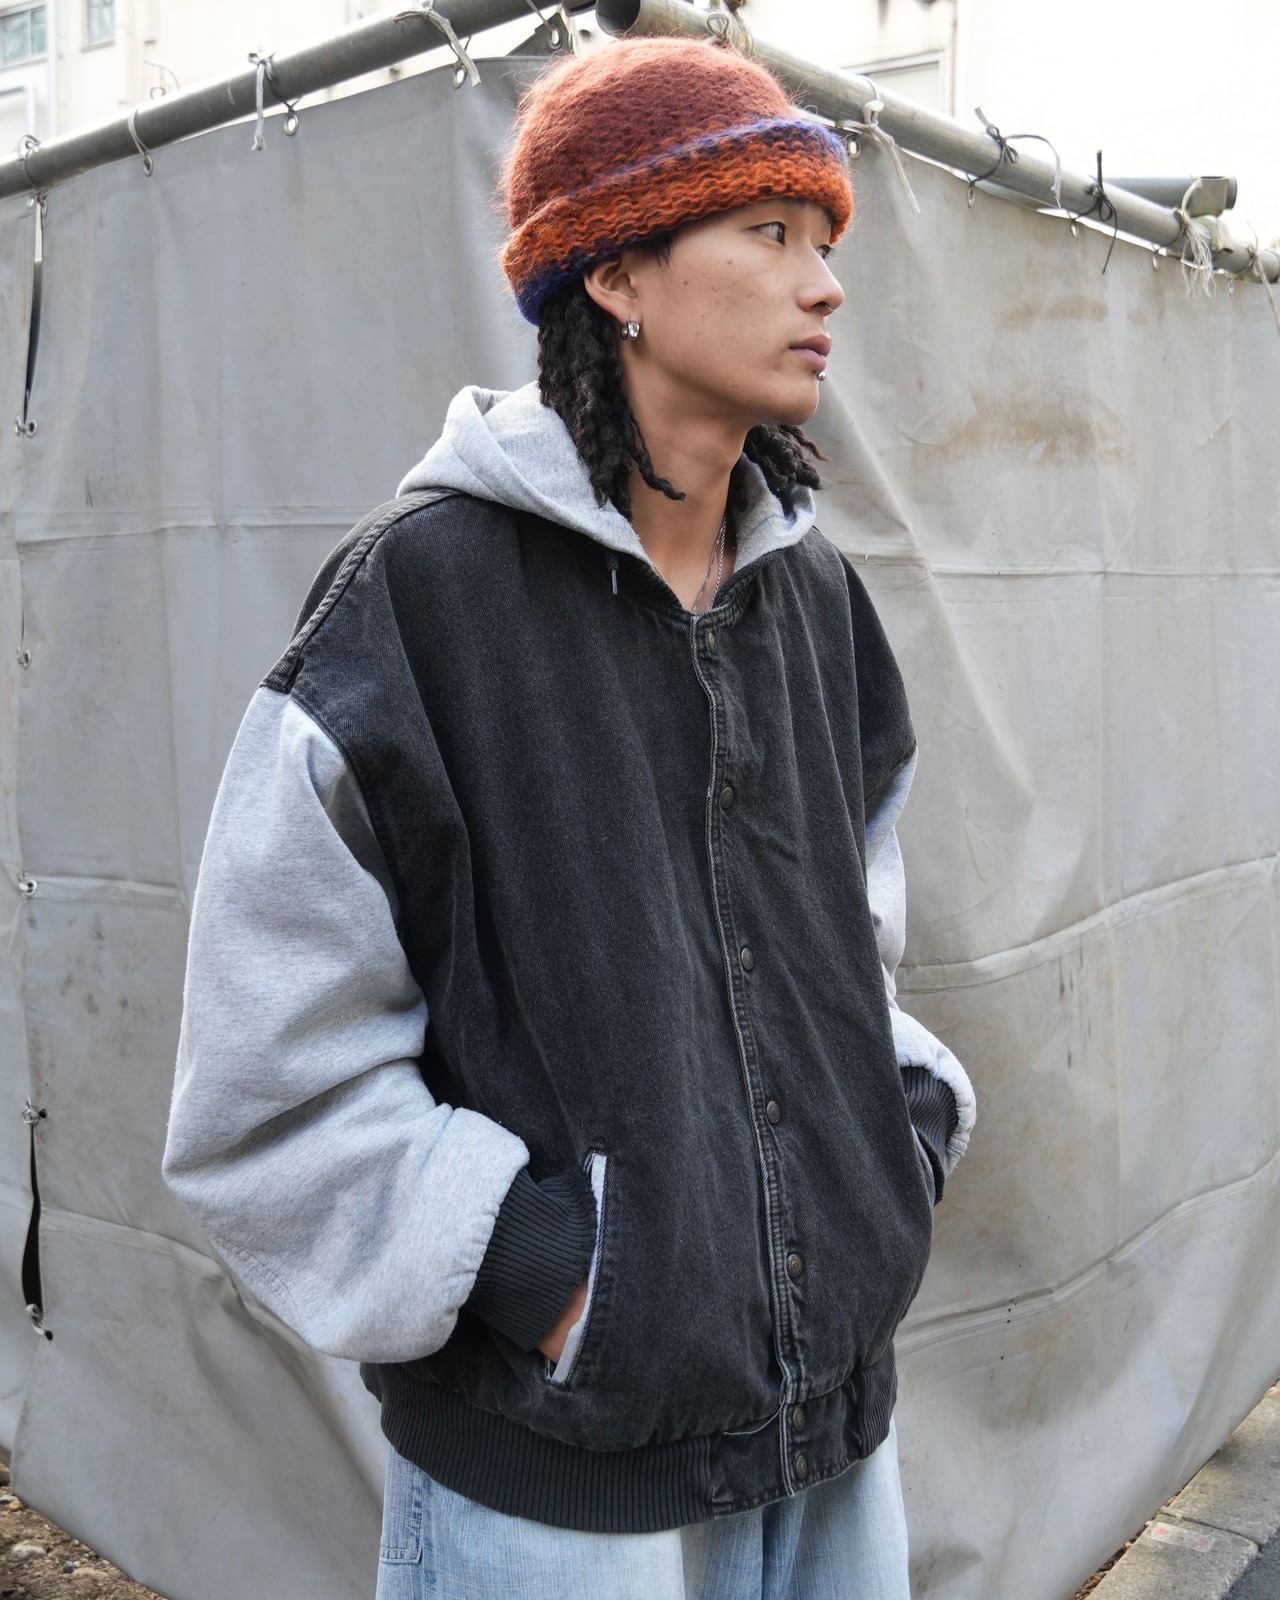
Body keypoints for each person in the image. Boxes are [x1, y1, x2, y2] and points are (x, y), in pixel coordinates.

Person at [163, 36, 976, 1600]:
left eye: (826, 240)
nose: (826, 285)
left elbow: (855, 948)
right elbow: (264, 1086)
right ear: (614, 275)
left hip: (833, 1442)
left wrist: (893, 1148)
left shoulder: (817, 600)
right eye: (770, 232)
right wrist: (553, 1279)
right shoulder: (419, 603)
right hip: (556, 1492)